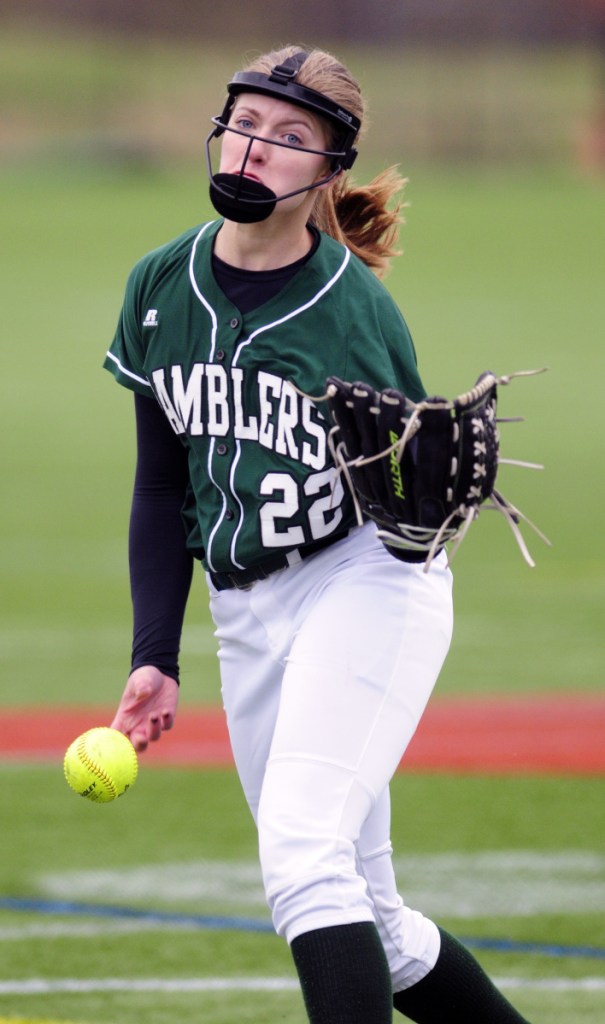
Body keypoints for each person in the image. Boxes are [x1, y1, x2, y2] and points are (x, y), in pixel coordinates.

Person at [104, 44, 535, 1024]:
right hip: (245, 608)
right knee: (373, 927)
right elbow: (163, 478)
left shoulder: (350, 312)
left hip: (363, 582)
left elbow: (410, 485)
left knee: (300, 855)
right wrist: (152, 654)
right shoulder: (160, 284)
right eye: (247, 121)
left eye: (289, 137)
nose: (256, 148)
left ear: (328, 172)